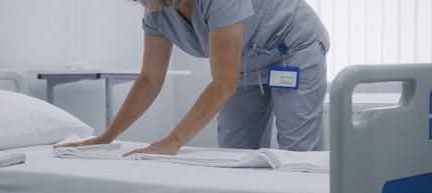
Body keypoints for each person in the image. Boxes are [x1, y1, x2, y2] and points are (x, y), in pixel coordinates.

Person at [57, 0, 330, 155]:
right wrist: (107, 136)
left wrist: (172, 141)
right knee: (234, 155)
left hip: (291, 50)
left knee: (296, 154)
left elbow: (224, 81)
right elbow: (150, 79)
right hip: (246, 63)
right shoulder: (157, 13)